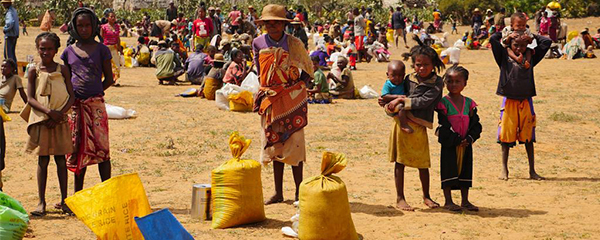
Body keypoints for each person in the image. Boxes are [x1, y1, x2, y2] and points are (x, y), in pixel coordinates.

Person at [252, 4, 313, 204]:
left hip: (293, 100)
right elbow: (260, 70)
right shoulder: (258, 43)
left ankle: (298, 192)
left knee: (295, 145)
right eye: (268, 23)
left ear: (283, 24)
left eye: (276, 22)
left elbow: (308, 70)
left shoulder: (294, 43)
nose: (272, 26)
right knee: (274, 144)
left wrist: (295, 88)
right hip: (270, 100)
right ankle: (278, 193)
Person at [385, 35, 445, 211]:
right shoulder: (408, 78)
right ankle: (400, 197)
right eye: (418, 64)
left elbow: (423, 101)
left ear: (433, 65)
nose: (421, 68)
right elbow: (394, 92)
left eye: (426, 65)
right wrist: (391, 104)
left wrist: (400, 101)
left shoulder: (437, 83)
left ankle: (426, 196)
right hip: (400, 124)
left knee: (423, 163)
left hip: (419, 125)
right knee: (400, 162)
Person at [490, 21, 552, 181]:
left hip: (526, 100)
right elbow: (493, 39)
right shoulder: (503, 57)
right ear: (509, 44)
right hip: (509, 100)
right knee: (505, 136)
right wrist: (508, 33)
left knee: (528, 137)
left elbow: (547, 42)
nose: (519, 48)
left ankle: (532, 171)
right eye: (515, 45)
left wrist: (529, 35)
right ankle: (504, 170)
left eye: (523, 45)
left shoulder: (531, 57)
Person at [61, 8, 114, 194]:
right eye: (80, 26)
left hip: (96, 107)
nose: (84, 29)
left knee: (102, 149)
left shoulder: (102, 50)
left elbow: (109, 78)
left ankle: (106, 191)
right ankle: (78, 194)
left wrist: (95, 94)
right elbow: (65, 80)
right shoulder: (68, 52)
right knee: (77, 149)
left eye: (87, 25)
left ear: (94, 26)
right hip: (76, 108)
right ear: (74, 27)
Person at [24, 32, 75, 216]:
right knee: (43, 160)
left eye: (49, 49)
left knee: (61, 160)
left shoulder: (63, 70)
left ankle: (64, 200)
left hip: (59, 121)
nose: (45, 52)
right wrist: (49, 113)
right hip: (42, 121)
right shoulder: (33, 70)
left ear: (56, 50)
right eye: (42, 48)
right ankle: (41, 202)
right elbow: (30, 98)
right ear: (37, 49)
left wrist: (59, 114)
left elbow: (72, 95)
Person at [435, 65, 482, 212]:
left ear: (465, 83)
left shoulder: (469, 104)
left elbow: (476, 124)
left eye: (457, 81)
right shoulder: (443, 103)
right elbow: (443, 124)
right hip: (450, 143)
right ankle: (448, 201)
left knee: (465, 170)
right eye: (449, 81)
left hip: (466, 144)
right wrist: (455, 139)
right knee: (448, 169)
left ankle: (465, 200)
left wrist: (469, 138)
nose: (453, 84)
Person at [378, 61, 409, 133]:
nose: (397, 78)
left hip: (401, 103)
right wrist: (398, 97)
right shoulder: (388, 84)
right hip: (390, 105)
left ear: (404, 75)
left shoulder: (404, 83)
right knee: (401, 107)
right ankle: (404, 125)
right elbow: (385, 96)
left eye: (400, 75)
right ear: (387, 74)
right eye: (394, 75)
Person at [100, 10, 122, 86]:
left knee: (116, 65)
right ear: (107, 18)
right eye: (111, 16)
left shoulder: (117, 27)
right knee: (106, 64)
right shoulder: (103, 27)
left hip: (114, 48)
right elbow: (101, 39)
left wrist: (120, 48)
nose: (113, 18)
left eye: (114, 17)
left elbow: (118, 38)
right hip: (106, 48)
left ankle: (114, 80)